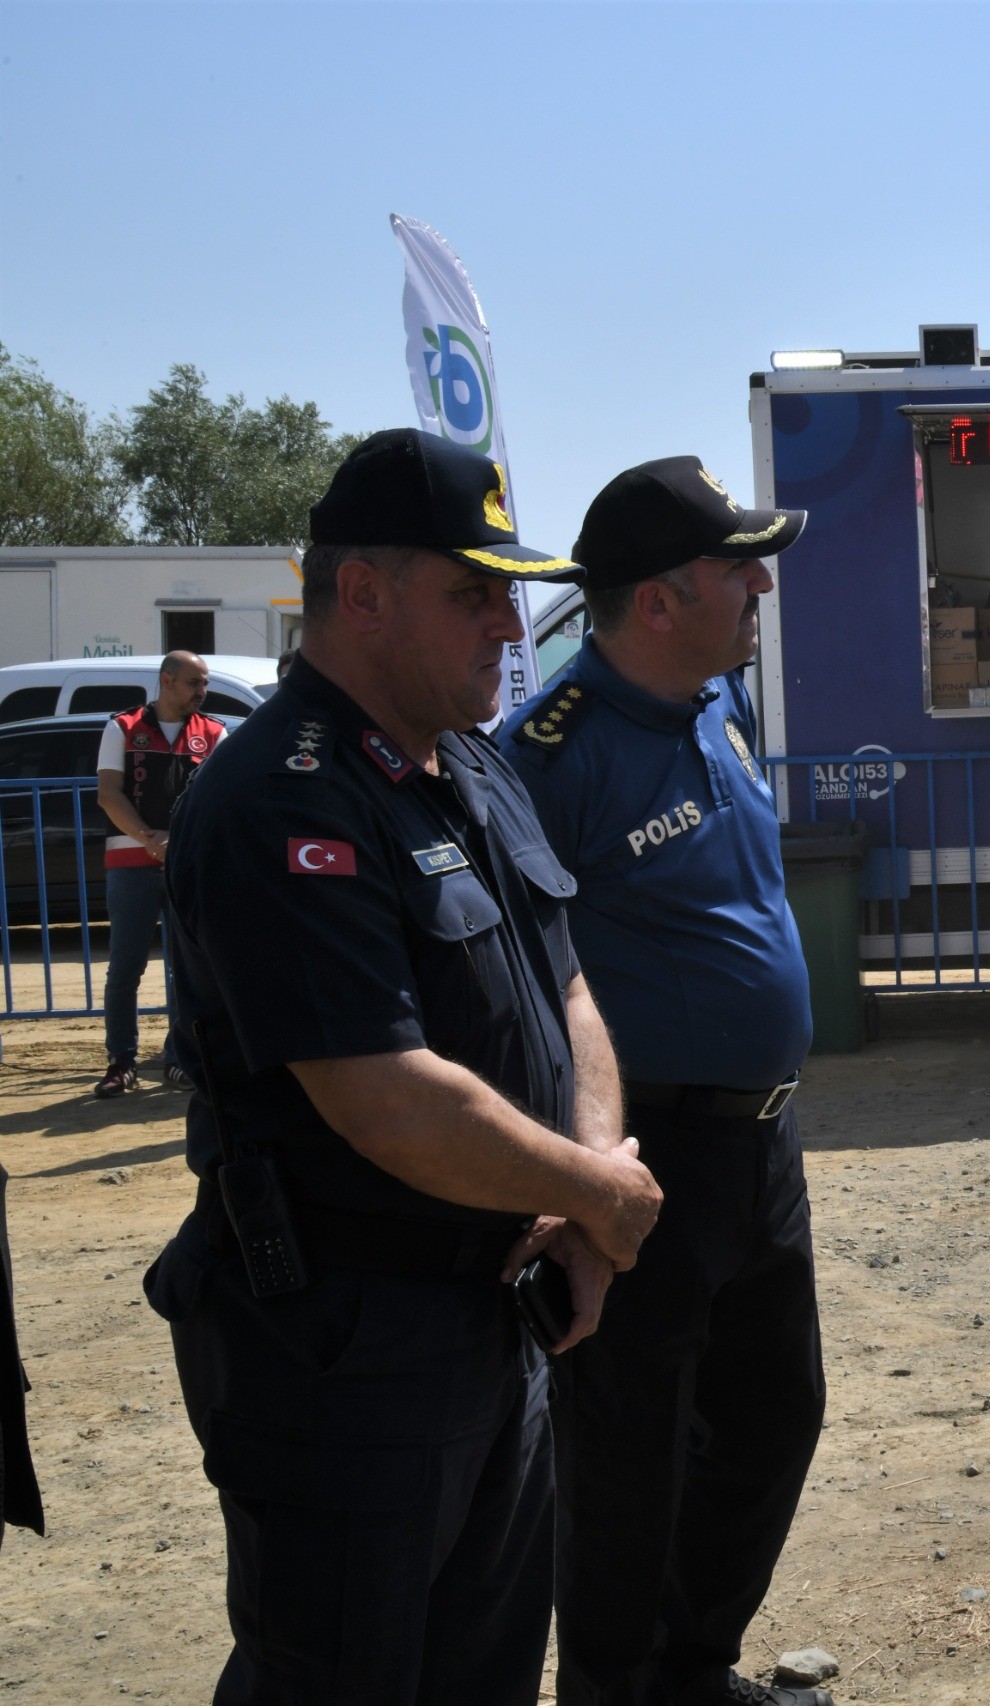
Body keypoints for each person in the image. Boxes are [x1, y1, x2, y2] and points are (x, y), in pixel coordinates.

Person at [144, 427, 663, 1705]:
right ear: (362, 591)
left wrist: (589, 1183)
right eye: (472, 589)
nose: (510, 618)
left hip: (498, 1310)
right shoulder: (282, 795)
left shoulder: (474, 765)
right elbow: (384, 1095)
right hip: (342, 1345)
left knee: (481, 1671)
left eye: (509, 588)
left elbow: (572, 992)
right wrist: (599, 1196)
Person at [500, 456, 829, 1706]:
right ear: (654, 599)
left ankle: (693, 1668)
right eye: (738, 568)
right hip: (646, 1157)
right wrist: (571, 1173)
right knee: (628, 1450)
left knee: (771, 1418)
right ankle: (614, 1686)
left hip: (761, 1147)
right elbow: (519, 983)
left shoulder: (716, 701)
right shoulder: (549, 754)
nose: (758, 587)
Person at [91, 650, 224, 1097]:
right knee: (126, 965)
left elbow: (213, 801)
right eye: (194, 683)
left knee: (186, 969)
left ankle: (179, 1057)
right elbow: (109, 795)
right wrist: (150, 838)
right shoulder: (121, 727)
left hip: (187, 865)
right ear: (167, 681)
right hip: (130, 863)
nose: (201, 693)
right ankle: (121, 1061)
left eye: (204, 684)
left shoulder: (215, 732)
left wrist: (176, 841)